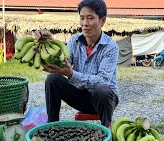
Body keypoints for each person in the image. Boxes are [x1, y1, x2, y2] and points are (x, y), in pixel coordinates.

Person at [34, 0, 119, 128]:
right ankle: (52, 127)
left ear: (102, 21)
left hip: (104, 101)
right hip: (81, 97)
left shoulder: (111, 47)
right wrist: (49, 42)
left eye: (90, 18)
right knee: (53, 79)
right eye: (82, 18)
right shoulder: (75, 40)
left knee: (102, 90)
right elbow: (63, 59)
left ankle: (105, 130)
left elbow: (103, 81)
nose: (85, 23)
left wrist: (72, 74)